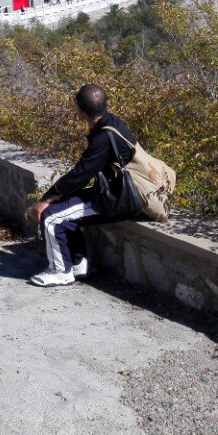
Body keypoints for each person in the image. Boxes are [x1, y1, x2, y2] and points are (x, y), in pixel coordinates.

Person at [26, 83, 136, 287]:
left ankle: (60, 272)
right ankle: (78, 262)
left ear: (80, 111)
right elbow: (84, 173)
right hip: (116, 192)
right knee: (65, 205)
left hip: (118, 200)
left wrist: (46, 199)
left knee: (51, 217)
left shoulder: (103, 137)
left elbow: (81, 174)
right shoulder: (112, 123)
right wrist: (57, 196)